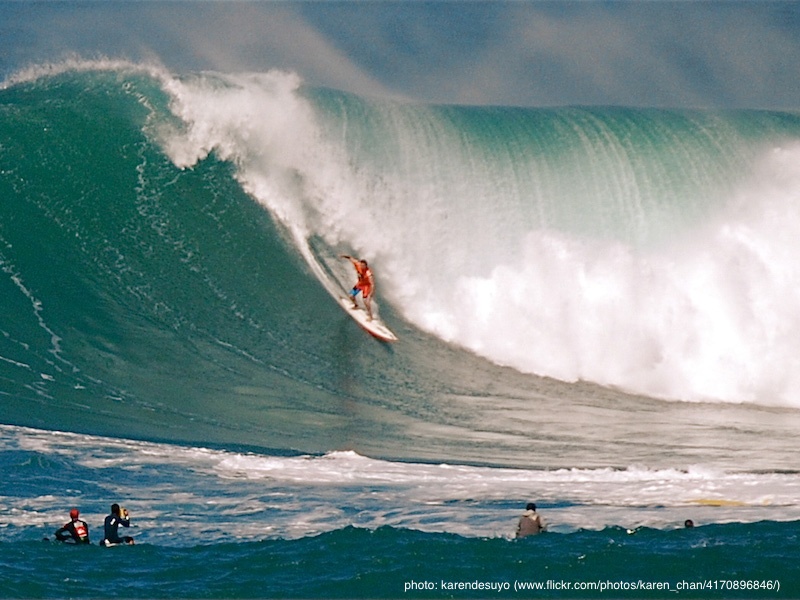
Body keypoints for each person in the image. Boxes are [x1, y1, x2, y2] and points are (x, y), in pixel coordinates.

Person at [342, 255, 375, 320]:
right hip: (360, 284)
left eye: (364, 266)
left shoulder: (368, 273)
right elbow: (350, 258)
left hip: (366, 286)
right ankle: (356, 305)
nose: (362, 267)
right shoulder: (357, 264)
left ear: (366, 266)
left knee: (366, 301)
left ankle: (370, 316)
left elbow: (372, 284)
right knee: (351, 296)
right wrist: (343, 256)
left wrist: (371, 294)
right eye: (361, 265)